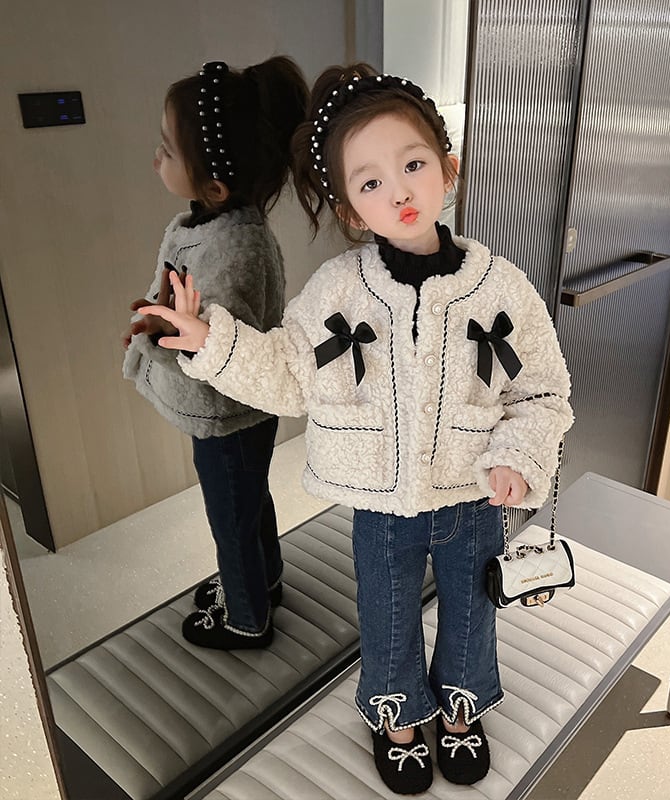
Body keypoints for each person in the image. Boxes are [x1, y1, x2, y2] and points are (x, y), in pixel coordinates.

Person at [138, 63, 573, 793]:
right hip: (380, 505)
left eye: (413, 165)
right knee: (387, 616)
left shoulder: (502, 288)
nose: (398, 191)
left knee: (472, 615)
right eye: (370, 182)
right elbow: (288, 373)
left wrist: (517, 454)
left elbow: (545, 391)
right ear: (348, 208)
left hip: (474, 499)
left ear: (449, 169)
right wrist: (211, 340)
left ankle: (461, 712)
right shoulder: (338, 291)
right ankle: (397, 720)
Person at [122, 57, 308, 651]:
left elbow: (216, 343)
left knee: (231, 519)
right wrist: (155, 318)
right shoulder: (209, 224)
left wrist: (158, 334)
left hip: (229, 414)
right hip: (235, 413)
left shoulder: (235, 247)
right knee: (248, 503)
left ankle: (246, 619)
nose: (156, 159)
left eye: (167, 150)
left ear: (215, 186)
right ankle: (265, 580)